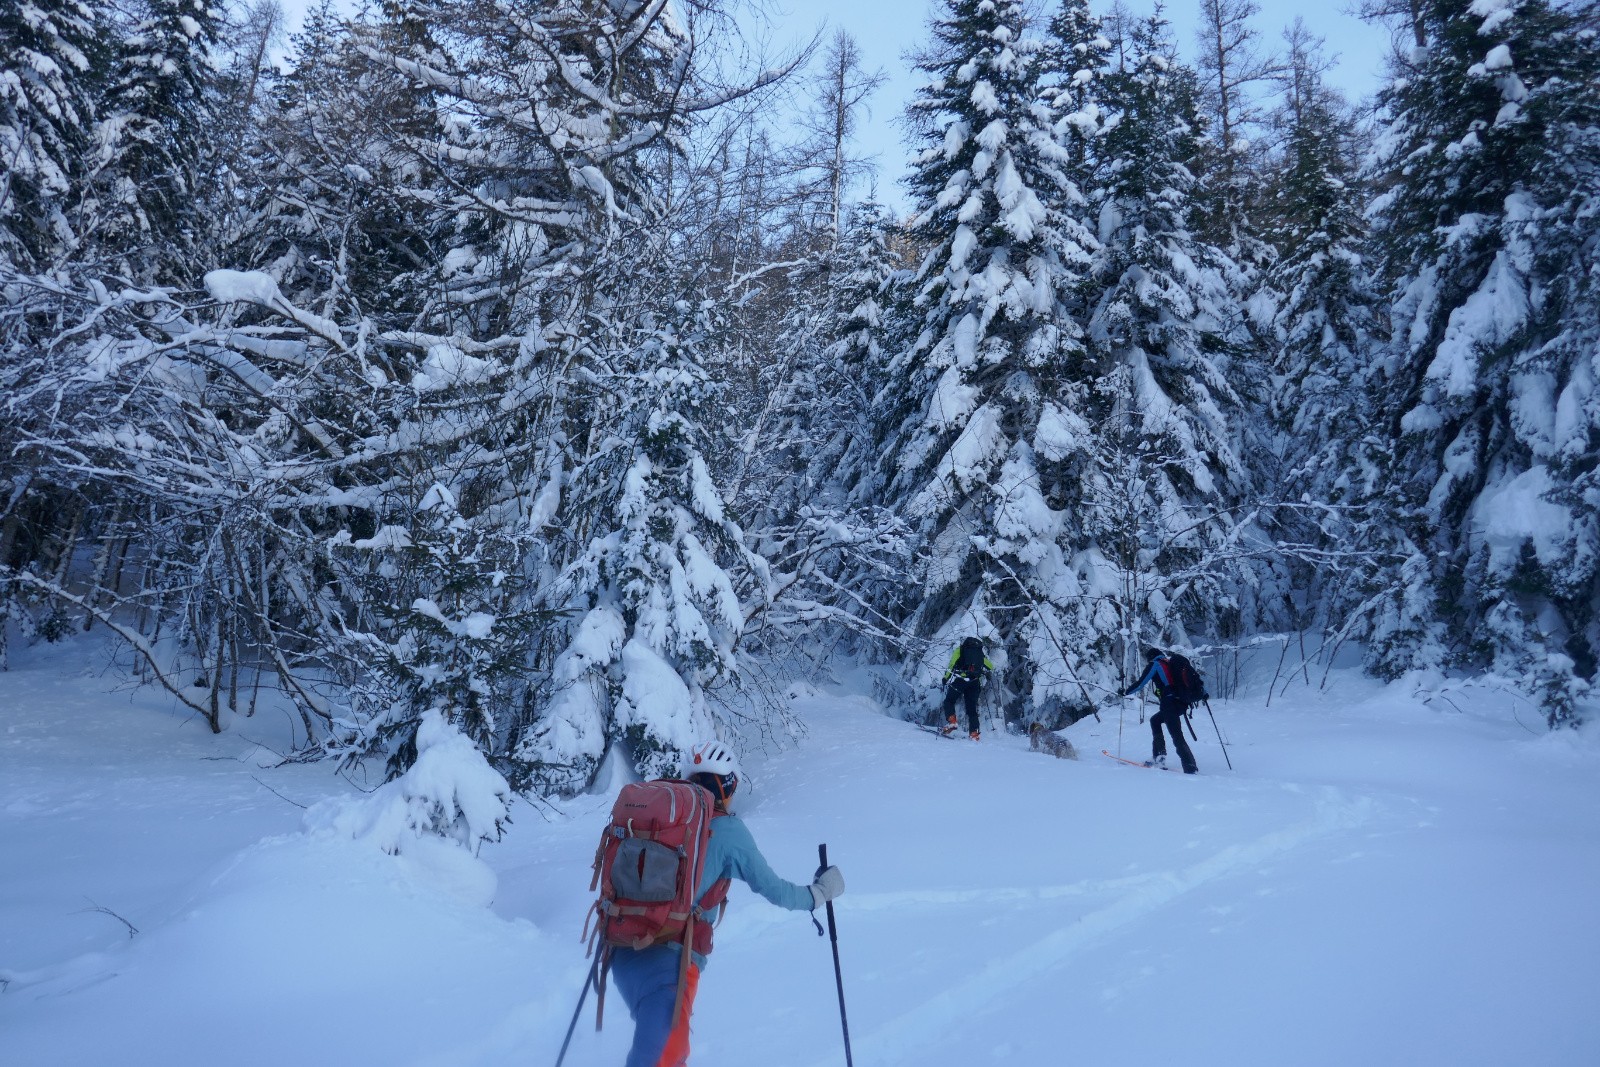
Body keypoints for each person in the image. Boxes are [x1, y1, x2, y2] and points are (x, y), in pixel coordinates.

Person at [609, 741, 845, 1067]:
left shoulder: (663, 824)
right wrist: (818, 894)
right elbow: (774, 889)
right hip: (671, 965)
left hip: (623, 953)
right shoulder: (728, 830)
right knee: (662, 1059)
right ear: (728, 785)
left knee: (660, 1056)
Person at [1122, 647, 1199, 774]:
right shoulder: (1169, 664)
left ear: (1150, 658)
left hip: (1170, 705)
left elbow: (1141, 683)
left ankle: (1190, 766)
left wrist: (1126, 692)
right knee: (1155, 721)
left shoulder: (1156, 664)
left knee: (1176, 735)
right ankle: (1159, 757)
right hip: (1180, 703)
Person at [940, 635, 994, 740]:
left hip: (961, 680)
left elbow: (951, 665)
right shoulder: (979, 653)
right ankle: (974, 734)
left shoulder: (960, 650)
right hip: (974, 682)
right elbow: (990, 666)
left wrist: (945, 678)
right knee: (972, 709)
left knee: (949, 701)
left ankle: (952, 722)